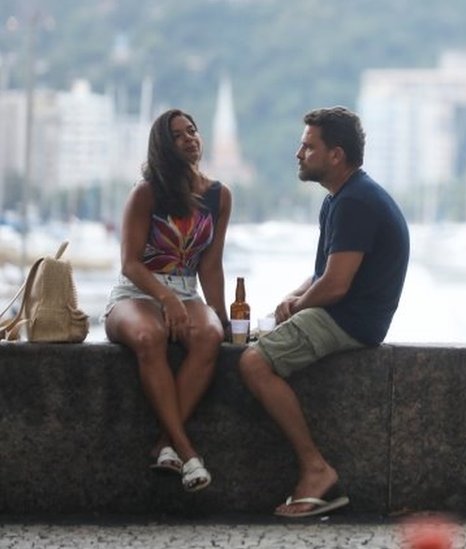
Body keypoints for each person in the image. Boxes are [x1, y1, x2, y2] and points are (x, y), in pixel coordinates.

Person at [237, 106, 409, 518]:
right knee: (260, 340)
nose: (299, 153)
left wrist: (298, 306)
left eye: (308, 146)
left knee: (254, 362)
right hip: (344, 311)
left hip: (351, 319)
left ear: (336, 155)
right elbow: (322, 274)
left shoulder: (356, 202)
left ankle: (316, 469)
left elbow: (335, 286)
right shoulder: (342, 198)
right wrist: (293, 298)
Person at [104, 108, 233, 492]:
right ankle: (188, 451)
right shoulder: (146, 192)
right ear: (163, 145)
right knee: (149, 338)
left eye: (192, 130)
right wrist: (165, 300)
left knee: (208, 336)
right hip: (138, 291)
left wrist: (223, 317)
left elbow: (210, 266)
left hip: (185, 290)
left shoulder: (218, 195)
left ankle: (164, 444)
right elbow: (129, 263)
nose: (189, 138)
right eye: (178, 135)